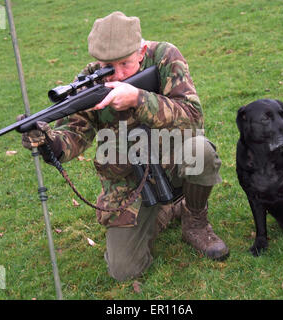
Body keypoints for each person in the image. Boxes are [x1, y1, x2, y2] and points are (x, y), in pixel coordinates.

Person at [19, 11, 229, 281]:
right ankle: (166, 209)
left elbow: (193, 117)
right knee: (125, 270)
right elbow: (75, 135)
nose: (116, 75)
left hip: (172, 159)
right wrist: (48, 141)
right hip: (128, 179)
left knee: (201, 151)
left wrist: (138, 99)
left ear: (141, 52)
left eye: (125, 65)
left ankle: (195, 221)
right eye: (107, 67)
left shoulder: (165, 56)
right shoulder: (89, 81)